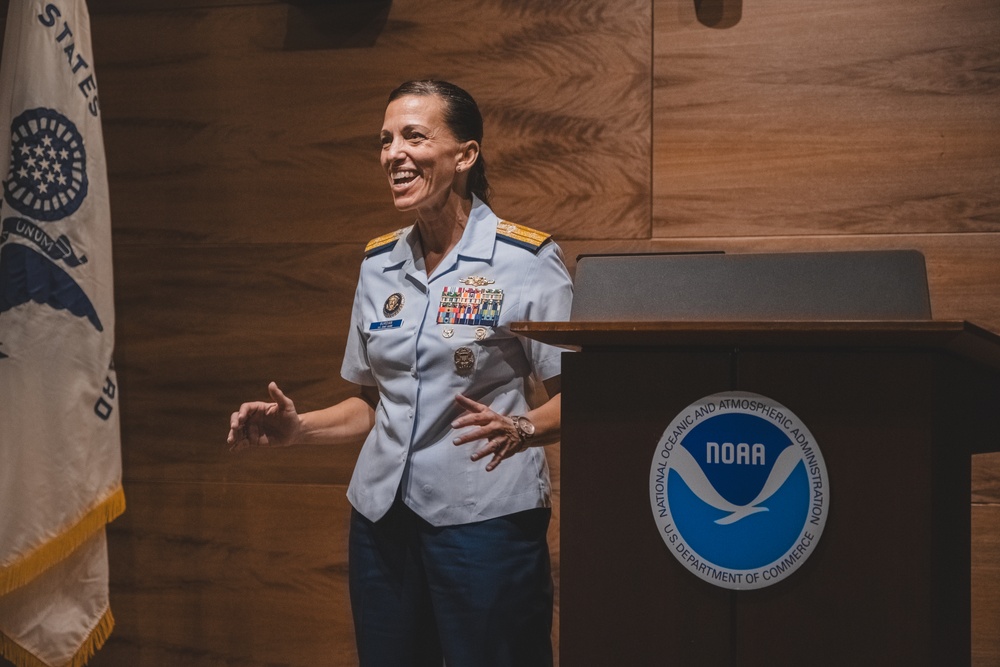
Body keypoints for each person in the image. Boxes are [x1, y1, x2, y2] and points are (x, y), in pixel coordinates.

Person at [227, 79, 573, 667]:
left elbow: (581, 398)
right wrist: (298, 428)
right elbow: (373, 403)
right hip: (381, 525)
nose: (393, 154)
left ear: (465, 155)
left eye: (414, 136)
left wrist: (522, 430)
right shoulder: (379, 264)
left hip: (485, 524)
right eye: (385, 140)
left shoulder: (525, 261)